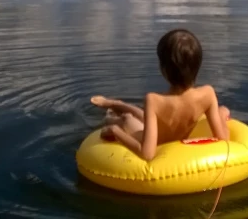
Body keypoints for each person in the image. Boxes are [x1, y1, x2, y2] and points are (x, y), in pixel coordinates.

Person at [90, 28, 231, 161]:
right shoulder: (208, 94)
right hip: (162, 132)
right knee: (143, 116)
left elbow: (147, 154)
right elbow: (223, 140)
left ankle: (114, 115)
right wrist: (221, 115)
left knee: (127, 119)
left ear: (163, 69)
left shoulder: (154, 100)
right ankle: (115, 104)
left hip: (157, 141)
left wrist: (115, 130)